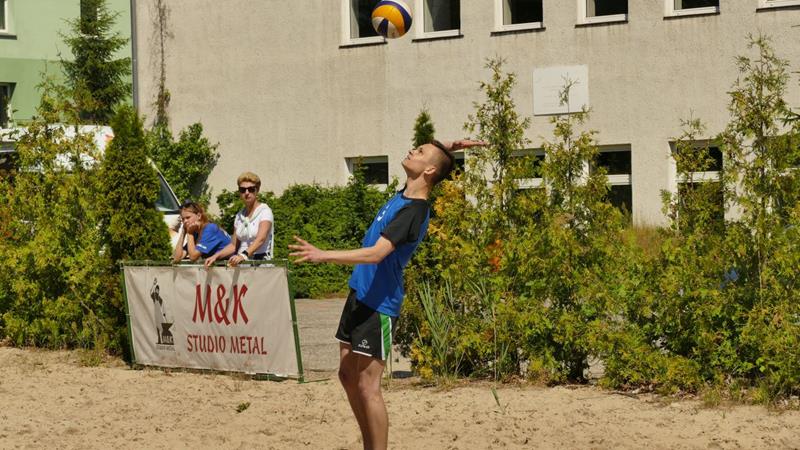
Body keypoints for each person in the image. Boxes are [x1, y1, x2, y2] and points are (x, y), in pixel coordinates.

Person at [289, 138, 486, 450]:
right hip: (360, 294)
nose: (412, 150)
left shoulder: (414, 211)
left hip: (379, 304)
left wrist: (323, 255)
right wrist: (451, 145)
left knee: (368, 386)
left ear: (429, 170)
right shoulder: (405, 193)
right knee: (347, 376)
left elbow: (376, 254)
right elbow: (436, 156)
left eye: (420, 152)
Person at [205, 172, 274, 268]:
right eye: (243, 190)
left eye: (251, 189)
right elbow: (233, 246)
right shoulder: (239, 216)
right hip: (242, 266)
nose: (247, 193)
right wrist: (215, 256)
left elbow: (260, 239)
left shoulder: (265, 211)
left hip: (261, 265)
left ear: (257, 190)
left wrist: (243, 255)